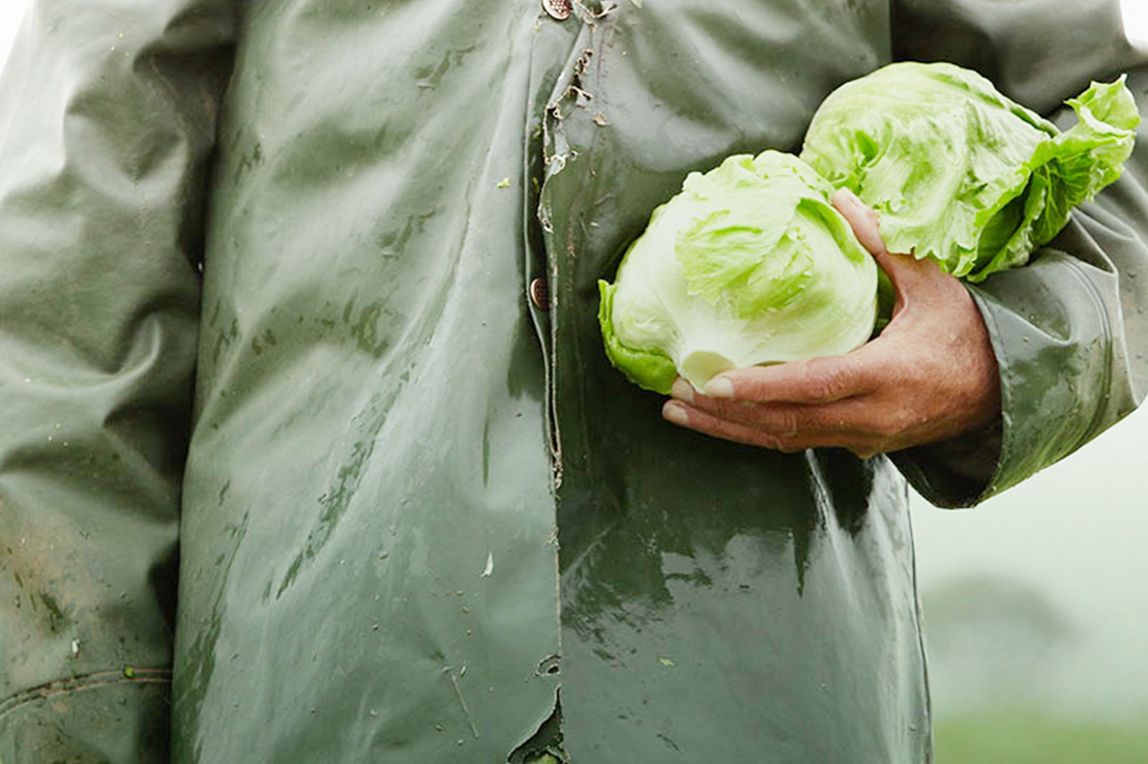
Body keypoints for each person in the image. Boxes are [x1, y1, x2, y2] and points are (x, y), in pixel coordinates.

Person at [0, 0, 1143, 761]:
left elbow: (1118, 140)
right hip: (315, 670)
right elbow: (73, 289)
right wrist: (67, 725)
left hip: (768, 670)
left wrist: (1005, 349)